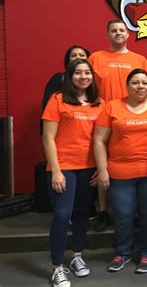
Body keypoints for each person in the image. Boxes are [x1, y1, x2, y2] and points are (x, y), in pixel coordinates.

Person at [42, 58, 103, 287]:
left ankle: (77, 256)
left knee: (81, 214)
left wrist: (100, 167)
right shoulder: (57, 100)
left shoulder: (99, 103)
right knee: (61, 216)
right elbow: (48, 137)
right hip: (63, 167)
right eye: (78, 73)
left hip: (88, 168)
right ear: (70, 76)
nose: (84, 77)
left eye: (88, 73)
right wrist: (56, 170)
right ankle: (58, 266)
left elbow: (101, 140)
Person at [94, 69, 147, 275]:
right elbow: (99, 140)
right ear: (127, 86)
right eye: (135, 82)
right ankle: (122, 252)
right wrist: (102, 169)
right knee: (123, 215)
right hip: (120, 173)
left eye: (143, 83)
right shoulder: (112, 107)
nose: (140, 86)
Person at [89, 20, 147, 231]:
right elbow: (87, 87)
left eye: (122, 30)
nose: (118, 33)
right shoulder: (96, 58)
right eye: (114, 30)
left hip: (132, 117)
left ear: (128, 34)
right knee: (104, 165)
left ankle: (130, 211)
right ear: (108, 34)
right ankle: (103, 210)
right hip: (105, 117)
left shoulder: (139, 59)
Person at [42, 45, 90, 111]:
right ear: (68, 60)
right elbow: (48, 105)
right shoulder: (59, 78)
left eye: (82, 55)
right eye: (74, 55)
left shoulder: (91, 79)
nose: (78, 57)